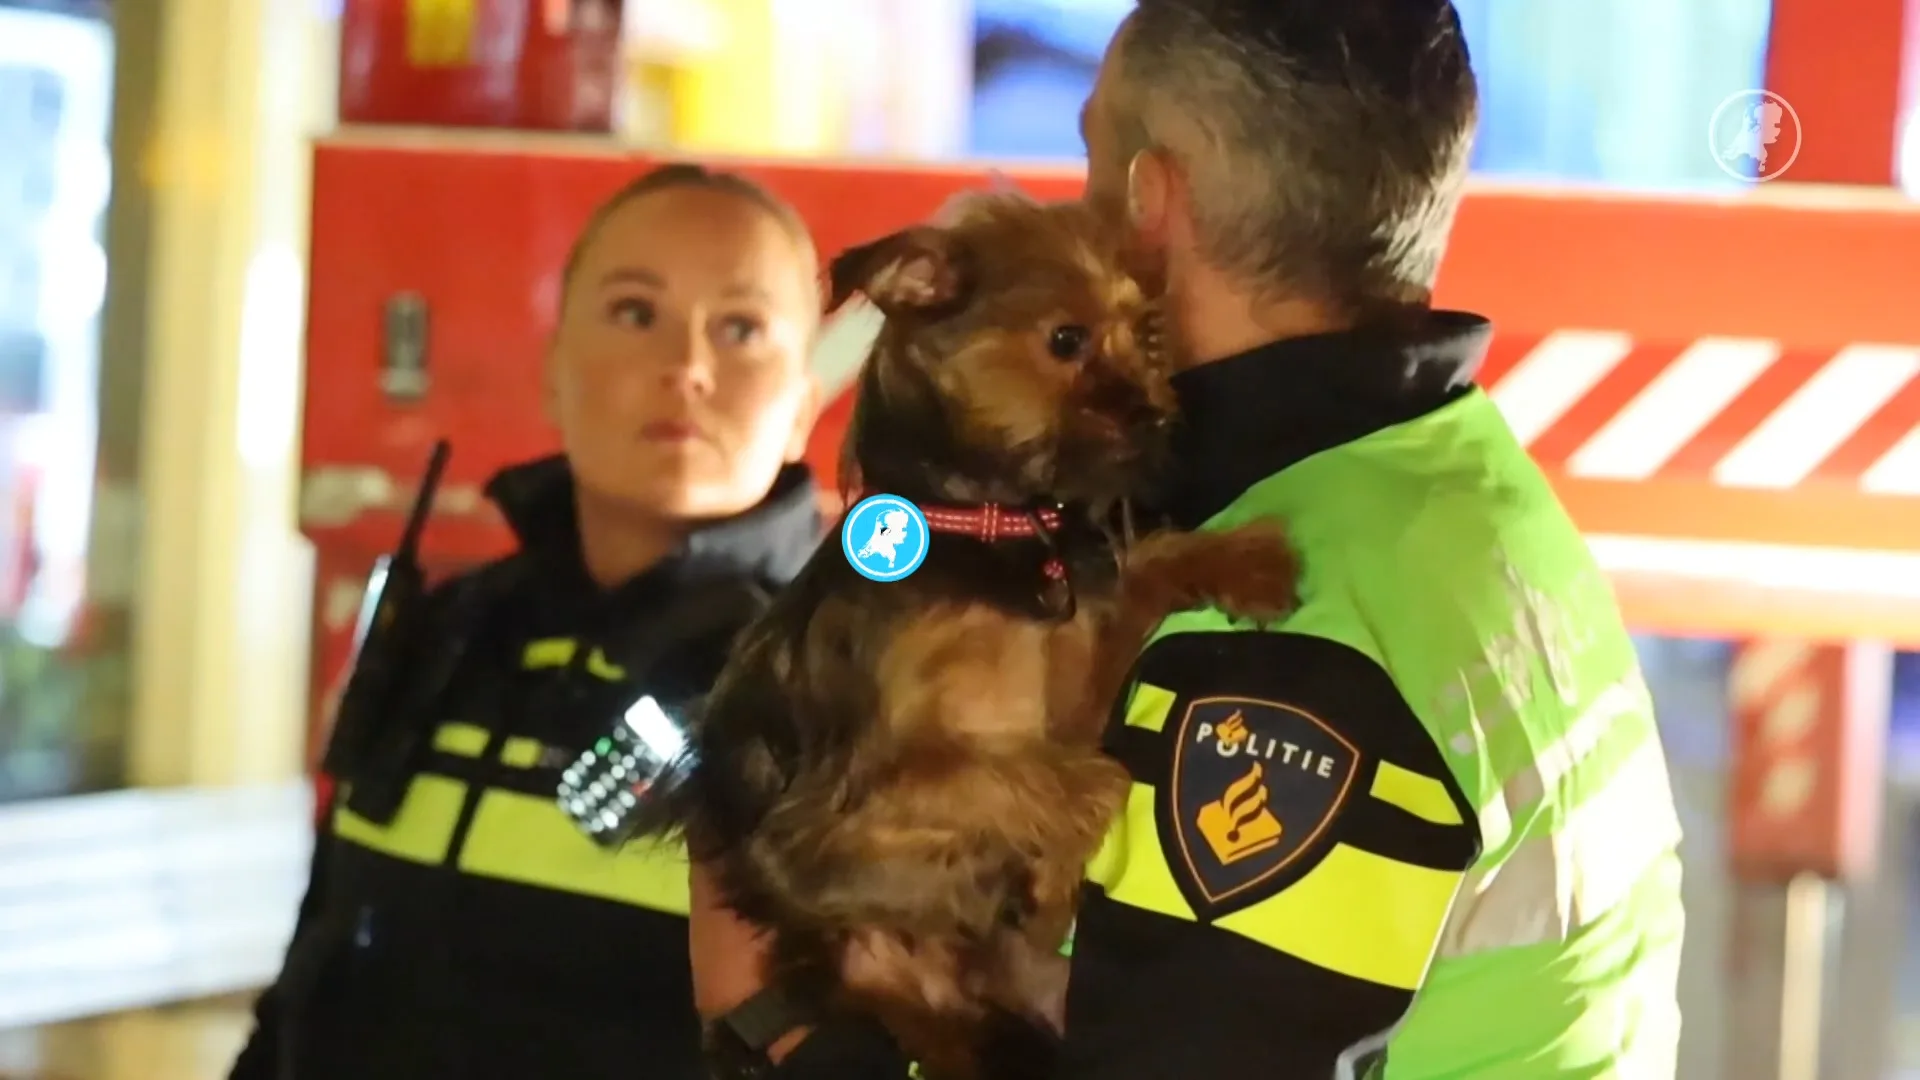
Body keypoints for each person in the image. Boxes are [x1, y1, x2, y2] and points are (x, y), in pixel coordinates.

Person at [687, 2, 1686, 1078]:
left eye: (1088, 155)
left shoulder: (1285, 642)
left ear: (1147, 202)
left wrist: (777, 1024)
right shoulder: (1456, 497)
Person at [231, 162, 831, 1080]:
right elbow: (312, 977)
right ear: (553, 371)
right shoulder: (446, 634)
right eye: (637, 312)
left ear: (804, 407)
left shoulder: (835, 692)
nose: (687, 368)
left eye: (742, 328)